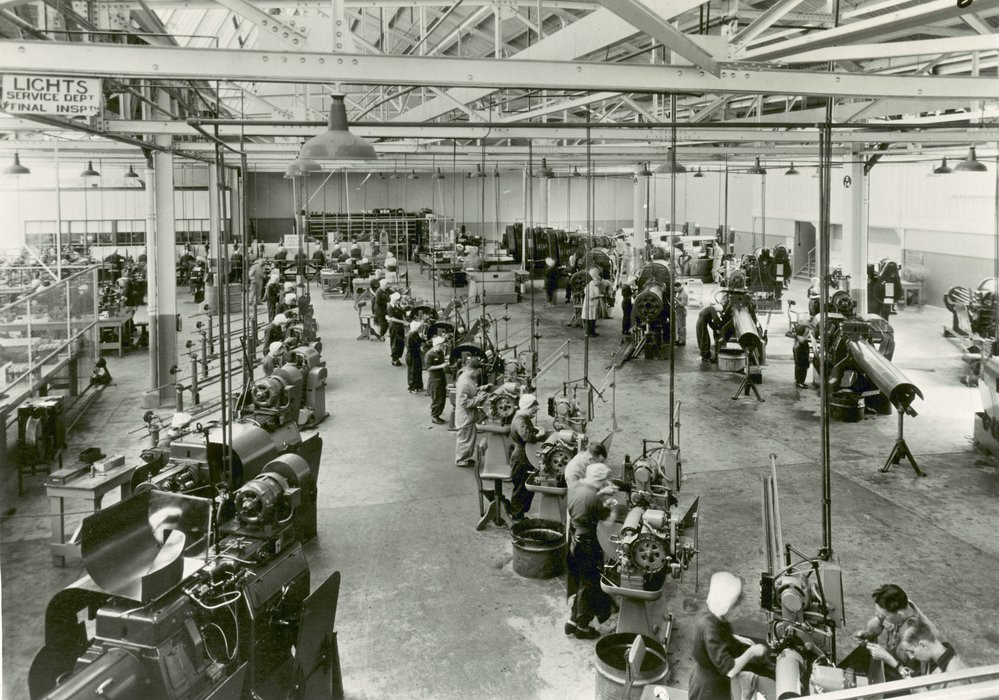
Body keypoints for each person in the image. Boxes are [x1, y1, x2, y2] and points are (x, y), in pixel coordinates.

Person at [688, 572, 770, 700]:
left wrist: (733, 638)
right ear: (725, 607)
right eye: (736, 608)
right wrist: (751, 652)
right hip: (709, 688)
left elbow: (714, 634)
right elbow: (730, 670)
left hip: (710, 676)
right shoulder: (711, 630)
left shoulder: (711, 613)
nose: (741, 614)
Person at [565, 462, 617, 640]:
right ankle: (583, 627)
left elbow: (586, 500)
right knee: (590, 584)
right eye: (604, 481)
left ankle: (572, 619)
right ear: (601, 480)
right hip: (588, 543)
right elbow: (608, 520)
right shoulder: (594, 498)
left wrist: (600, 494)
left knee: (579, 580)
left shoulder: (575, 486)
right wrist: (611, 504)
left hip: (574, 539)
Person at [855, 583, 940, 679]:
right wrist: (867, 634)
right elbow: (876, 625)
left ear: (900, 614)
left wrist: (887, 658)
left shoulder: (918, 633)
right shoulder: (898, 607)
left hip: (905, 679)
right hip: (889, 667)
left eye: (883, 615)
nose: (880, 616)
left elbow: (918, 679)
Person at [899, 619, 968, 689]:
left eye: (912, 652)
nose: (911, 657)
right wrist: (915, 675)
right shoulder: (933, 658)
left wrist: (923, 693)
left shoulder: (955, 677)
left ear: (923, 645)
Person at [509, 394, 547, 520]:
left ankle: (519, 514)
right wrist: (540, 434)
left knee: (524, 489)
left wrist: (534, 428)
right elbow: (527, 437)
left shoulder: (521, 417)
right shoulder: (521, 420)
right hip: (522, 459)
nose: (534, 414)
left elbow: (525, 430)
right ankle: (516, 517)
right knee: (521, 489)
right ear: (528, 407)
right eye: (533, 411)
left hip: (524, 456)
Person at [454, 358, 482, 468]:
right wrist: (478, 398)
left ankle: (465, 458)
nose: (478, 374)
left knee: (469, 438)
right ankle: (461, 460)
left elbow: (470, 393)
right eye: (478, 372)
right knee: (465, 439)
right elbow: (464, 403)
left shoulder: (466, 377)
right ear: (473, 370)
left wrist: (480, 389)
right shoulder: (464, 383)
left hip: (469, 415)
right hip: (465, 417)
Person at [424, 336, 448, 423]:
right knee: (437, 399)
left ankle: (438, 415)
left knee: (442, 399)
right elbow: (428, 368)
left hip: (441, 378)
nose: (442, 347)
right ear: (436, 345)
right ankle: (434, 416)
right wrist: (441, 366)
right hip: (435, 380)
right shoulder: (429, 354)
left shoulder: (440, 352)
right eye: (440, 345)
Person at [386, 293, 406, 366]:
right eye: (397, 300)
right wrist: (403, 322)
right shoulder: (390, 307)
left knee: (400, 342)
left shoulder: (397, 305)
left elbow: (401, 314)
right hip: (394, 327)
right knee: (395, 342)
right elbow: (392, 318)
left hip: (400, 326)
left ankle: (397, 357)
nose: (398, 301)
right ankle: (394, 359)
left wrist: (405, 321)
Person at [405, 321, 425, 393]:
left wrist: (426, 340)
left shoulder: (415, 334)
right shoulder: (410, 336)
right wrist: (420, 347)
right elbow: (411, 346)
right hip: (412, 356)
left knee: (418, 370)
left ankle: (418, 386)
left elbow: (420, 340)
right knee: (412, 372)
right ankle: (412, 387)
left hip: (416, 354)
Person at [791, 320, 812, 389]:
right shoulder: (799, 334)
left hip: (801, 349)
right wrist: (808, 332)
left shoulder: (800, 331)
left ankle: (800, 382)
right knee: (800, 366)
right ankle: (799, 382)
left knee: (803, 366)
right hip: (799, 350)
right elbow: (802, 340)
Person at [582, 267, 602, 337]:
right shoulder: (589, 286)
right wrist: (598, 296)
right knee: (589, 319)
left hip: (594, 305)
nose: (598, 281)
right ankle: (589, 333)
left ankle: (592, 332)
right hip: (590, 305)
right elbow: (590, 296)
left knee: (593, 319)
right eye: (596, 275)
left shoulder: (595, 285)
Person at [673, 281, 688, 345]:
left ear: (679, 287)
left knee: (681, 326)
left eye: (676, 288)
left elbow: (683, 304)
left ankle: (682, 341)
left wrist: (676, 300)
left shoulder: (683, 294)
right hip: (678, 311)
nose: (675, 290)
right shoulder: (680, 292)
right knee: (679, 326)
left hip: (681, 311)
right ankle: (679, 340)